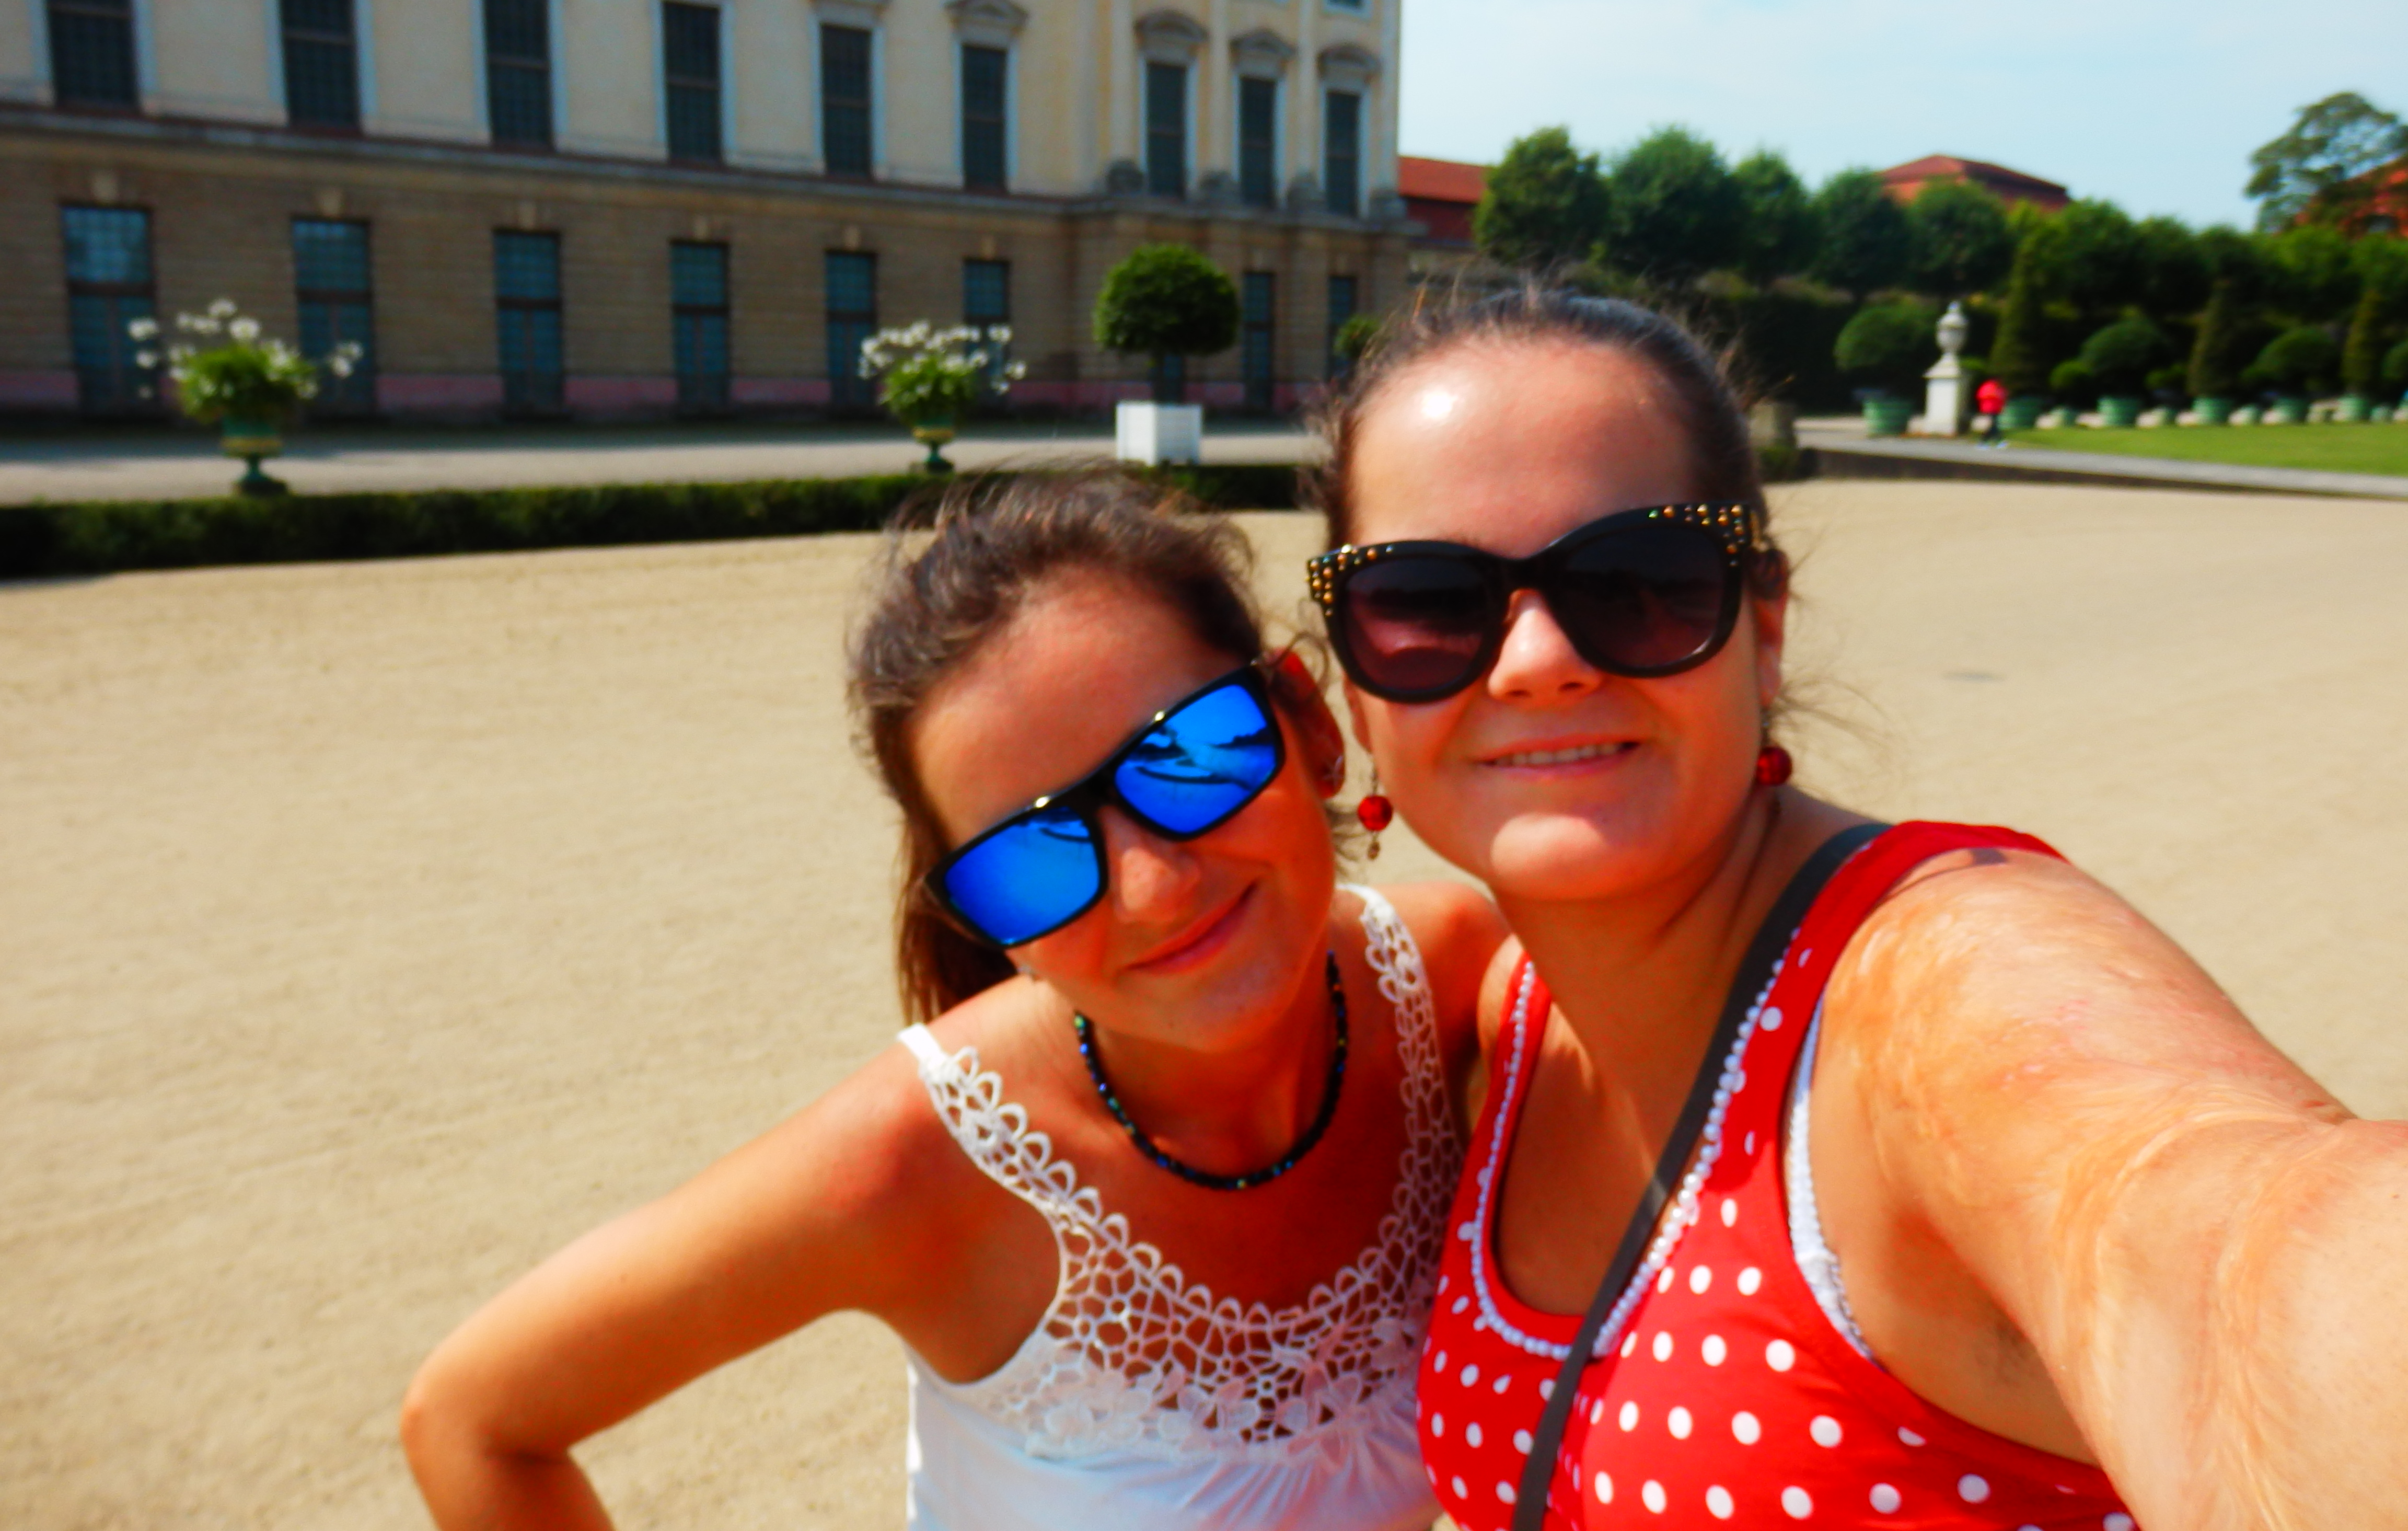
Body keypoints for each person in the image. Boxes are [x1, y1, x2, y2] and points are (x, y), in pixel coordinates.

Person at [1304, 289, 2408, 1531]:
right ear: (1353, 694)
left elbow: (2238, 1242)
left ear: (1764, 629)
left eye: (1639, 580)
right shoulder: (1505, 1015)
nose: (1537, 660)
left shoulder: (1941, 980)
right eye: (1426, 603)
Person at [401, 474, 1502, 1531]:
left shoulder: (1457, 981)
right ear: (989, 928)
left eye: (1187, 757)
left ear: (1308, 725)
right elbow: (471, 1422)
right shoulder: (911, 1165)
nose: (1151, 887)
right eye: (1032, 860)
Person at [1975, 375, 2008, 446]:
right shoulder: (1988, 387)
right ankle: (1997, 441)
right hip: (1989, 409)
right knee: (1993, 425)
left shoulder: (1999, 388)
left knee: (1992, 426)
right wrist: (1994, 395)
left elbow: (2003, 397)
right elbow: (1981, 395)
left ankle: (1986, 441)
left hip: (1996, 409)